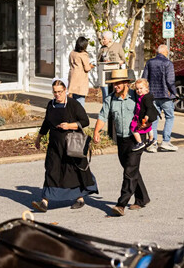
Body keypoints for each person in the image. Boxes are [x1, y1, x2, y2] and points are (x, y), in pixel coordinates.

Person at [31, 78, 99, 212]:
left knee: (72, 171)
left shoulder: (73, 104)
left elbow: (85, 121)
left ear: (65, 90)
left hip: (71, 143)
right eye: (55, 92)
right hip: (55, 144)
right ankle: (44, 202)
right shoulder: (51, 104)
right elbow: (46, 122)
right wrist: (39, 137)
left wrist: (69, 126)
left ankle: (80, 198)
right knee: (51, 170)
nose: (57, 95)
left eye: (60, 92)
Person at [93, 69, 150, 217]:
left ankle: (121, 204)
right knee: (131, 169)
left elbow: (150, 110)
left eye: (118, 83)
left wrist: (147, 124)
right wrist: (96, 132)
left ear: (126, 83)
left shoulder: (136, 96)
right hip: (121, 139)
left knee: (129, 171)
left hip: (136, 139)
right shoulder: (110, 99)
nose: (115, 86)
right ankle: (142, 198)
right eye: (113, 84)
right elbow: (102, 115)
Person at [142, 44, 177, 152]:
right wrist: (175, 93)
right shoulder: (168, 63)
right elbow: (170, 81)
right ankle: (166, 141)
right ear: (166, 52)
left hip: (152, 95)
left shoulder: (149, 62)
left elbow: (144, 79)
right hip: (165, 96)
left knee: (154, 119)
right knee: (169, 117)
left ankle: (153, 143)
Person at [130, 78, 158, 151]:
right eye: (137, 89)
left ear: (146, 89)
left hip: (143, 116)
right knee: (149, 127)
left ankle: (140, 142)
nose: (139, 90)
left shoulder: (146, 98)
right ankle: (151, 139)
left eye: (141, 88)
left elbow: (149, 107)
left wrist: (146, 116)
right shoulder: (145, 96)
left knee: (133, 128)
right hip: (145, 116)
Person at [97, 31, 125, 100]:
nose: (102, 40)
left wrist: (118, 62)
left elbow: (123, 59)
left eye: (104, 39)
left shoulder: (117, 46)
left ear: (110, 39)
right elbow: (98, 61)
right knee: (106, 94)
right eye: (102, 39)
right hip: (105, 75)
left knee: (116, 92)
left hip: (115, 73)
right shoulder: (102, 48)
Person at [68, 36, 94, 107]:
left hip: (73, 77)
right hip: (81, 79)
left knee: (74, 98)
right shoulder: (83, 55)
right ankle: (80, 116)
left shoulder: (72, 53)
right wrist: (91, 65)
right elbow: (87, 68)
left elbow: (70, 63)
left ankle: (74, 115)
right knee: (80, 99)